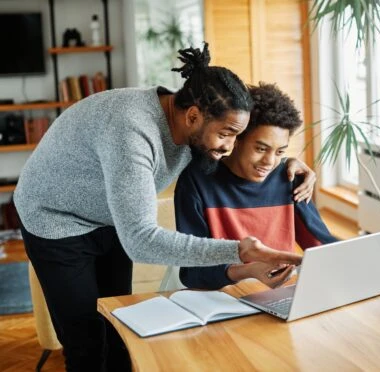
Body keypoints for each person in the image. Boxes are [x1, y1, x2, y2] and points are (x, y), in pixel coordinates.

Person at [13, 44, 313, 371]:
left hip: (110, 217)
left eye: (235, 136)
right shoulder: (133, 131)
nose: (229, 147)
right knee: (85, 341)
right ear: (193, 116)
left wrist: (288, 164)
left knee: (116, 323)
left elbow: (244, 154)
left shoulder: (198, 123)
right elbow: (140, 240)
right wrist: (239, 251)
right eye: (227, 135)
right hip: (55, 219)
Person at [175, 82, 338, 291]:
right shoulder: (197, 181)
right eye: (261, 149)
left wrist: (364, 272)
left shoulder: (289, 178)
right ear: (237, 139)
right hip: (222, 298)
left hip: (281, 295)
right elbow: (192, 273)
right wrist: (248, 271)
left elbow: (322, 247)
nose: (269, 162)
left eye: (280, 152)